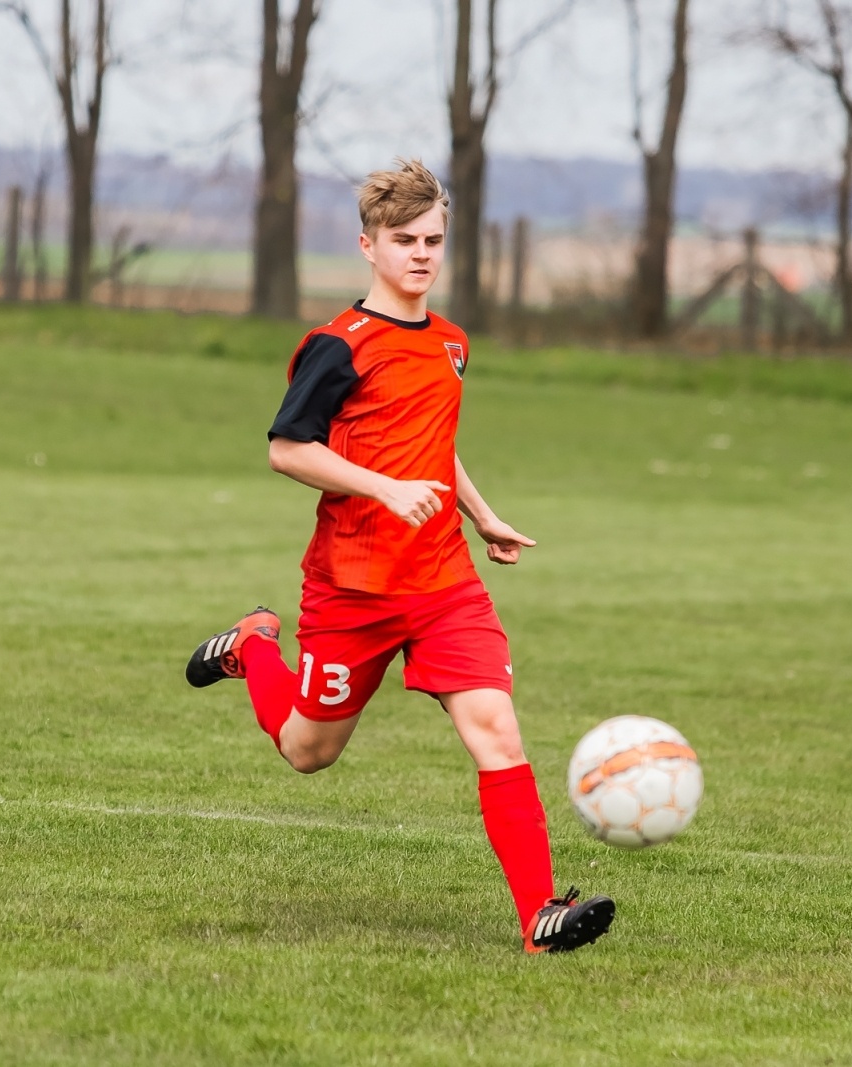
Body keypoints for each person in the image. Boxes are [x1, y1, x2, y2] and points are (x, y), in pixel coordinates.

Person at [186, 159, 613, 955]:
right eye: (404, 240)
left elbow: (432, 444)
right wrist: (383, 488)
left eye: (433, 240)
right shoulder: (337, 347)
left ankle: (539, 917)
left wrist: (481, 515)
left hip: (444, 581)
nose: (421, 254)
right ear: (368, 245)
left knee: (496, 730)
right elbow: (287, 450)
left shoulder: (451, 342)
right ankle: (253, 643)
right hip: (352, 587)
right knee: (308, 751)